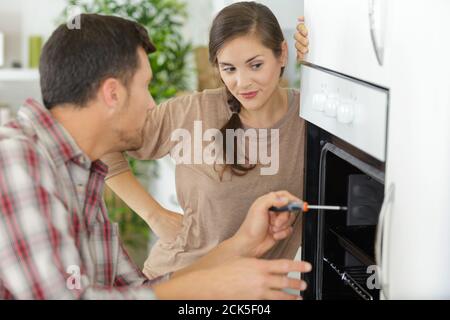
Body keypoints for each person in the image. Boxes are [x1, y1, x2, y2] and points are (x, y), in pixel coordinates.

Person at [0, 13, 312, 300]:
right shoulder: (17, 159)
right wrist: (213, 284)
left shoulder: (81, 177)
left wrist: (241, 243)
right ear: (113, 94)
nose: (152, 104)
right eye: (146, 87)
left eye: (255, 65)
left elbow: (136, 291)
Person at [102, 1, 311, 279]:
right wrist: (154, 215)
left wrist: (322, 60)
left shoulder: (310, 120)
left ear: (282, 54)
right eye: (229, 69)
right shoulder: (193, 112)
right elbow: (102, 139)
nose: (243, 82)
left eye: (256, 65)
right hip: (178, 282)